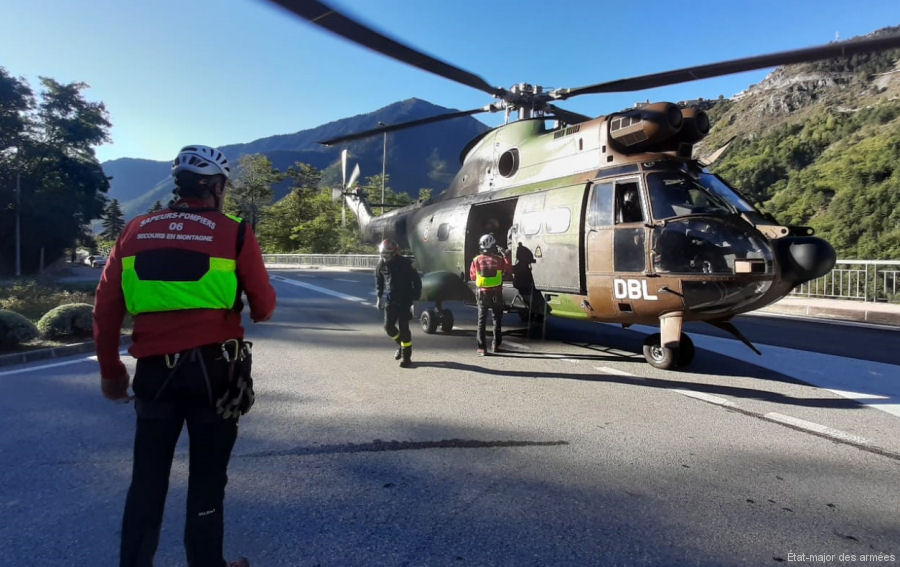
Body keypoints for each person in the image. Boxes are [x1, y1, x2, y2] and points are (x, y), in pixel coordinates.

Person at [93, 144, 276, 567]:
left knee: (147, 481)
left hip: (155, 375)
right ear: (215, 186)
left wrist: (111, 372)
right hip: (216, 374)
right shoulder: (235, 231)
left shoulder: (135, 229)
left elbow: (105, 305)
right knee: (208, 482)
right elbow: (264, 309)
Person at [375, 238, 422, 368]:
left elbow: (417, 283)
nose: (384, 257)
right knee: (388, 327)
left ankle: (407, 358)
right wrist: (379, 297)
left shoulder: (406, 264)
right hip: (391, 299)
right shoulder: (381, 264)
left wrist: (416, 301)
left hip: (405, 300)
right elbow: (379, 281)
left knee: (404, 327)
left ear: (394, 253)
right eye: (382, 254)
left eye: (387, 254)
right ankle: (401, 346)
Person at [469, 233, 512, 355]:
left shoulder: (476, 260)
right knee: (497, 319)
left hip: (482, 294)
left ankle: (482, 348)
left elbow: (472, 276)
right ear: (493, 245)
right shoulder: (498, 259)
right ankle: (496, 345)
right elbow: (508, 271)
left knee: (481, 320)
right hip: (496, 294)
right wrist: (506, 257)